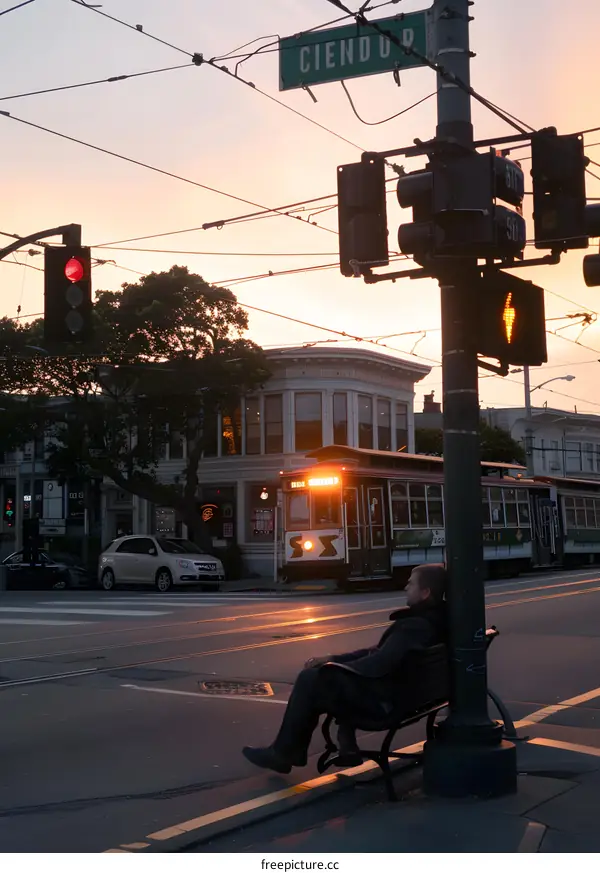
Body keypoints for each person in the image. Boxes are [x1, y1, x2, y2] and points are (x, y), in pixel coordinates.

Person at [242, 563, 447, 774]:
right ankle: (336, 743)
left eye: (410, 583)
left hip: (387, 704)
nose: (405, 587)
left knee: (310, 679)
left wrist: (336, 667)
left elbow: (376, 663)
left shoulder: (414, 627)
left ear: (425, 592)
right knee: (322, 679)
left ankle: (285, 753)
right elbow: (378, 654)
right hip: (407, 696)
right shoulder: (433, 621)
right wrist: (333, 659)